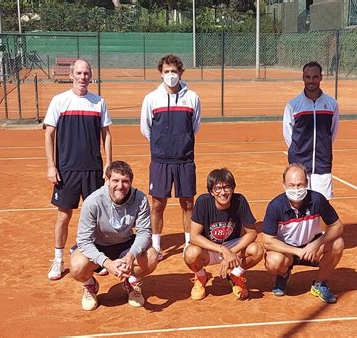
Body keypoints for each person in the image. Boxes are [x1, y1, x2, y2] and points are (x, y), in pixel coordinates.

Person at [44, 59, 112, 280]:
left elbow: (106, 134)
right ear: (72, 75)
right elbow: (49, 134)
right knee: (64, 216)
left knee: (97, 216)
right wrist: (51, 166)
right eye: (79, 73)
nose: (83, 77)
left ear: (90, 75)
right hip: (67, 171)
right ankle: (58, 259)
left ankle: (96, 257)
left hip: (93, 169)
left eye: (86, 73)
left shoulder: (98, 102)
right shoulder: (59, 101)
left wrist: (109, 164)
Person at [70, 161, 158, 311]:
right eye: (115, 181)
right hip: (98, 245)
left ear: (131, 182)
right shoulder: (93, 201)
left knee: (151, 257)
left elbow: (144, 231)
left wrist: (131, 256)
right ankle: (90, 285)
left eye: (125, 181)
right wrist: (107, 263)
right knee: (77, 267)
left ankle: (131, 282)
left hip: (125, 245)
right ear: (107, 181)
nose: (120, 186)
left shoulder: (140, 199)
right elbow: (84, 240)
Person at [140, 54, 201, 260]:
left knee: (188, 204)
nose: (170, 75)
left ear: (181, 73)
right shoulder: (151, 98)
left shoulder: (192, 97)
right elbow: (146, 128)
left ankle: (188, 243)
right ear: (160, 73)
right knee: (157, 205)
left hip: (185, 160)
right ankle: (156, 246)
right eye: (166, 72)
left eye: (174, 71)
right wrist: (161, 145)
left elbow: (195, 127)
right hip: (160, 160)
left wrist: (181, 142)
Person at [262, 163, 344, 304]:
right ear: (284, 185)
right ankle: (283, 274)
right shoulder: (275, 206)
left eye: (300, 185)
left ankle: (319, 283)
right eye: (292, 185)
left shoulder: (317, 200)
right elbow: (267, 240)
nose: (296, 189)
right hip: (288, 251)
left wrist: (316, 244)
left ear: (307, 183)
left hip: (313, 248)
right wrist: (297, 251)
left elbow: (338, 226)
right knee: (273, 261)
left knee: (338, 244)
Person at [184, 168, 263, 300]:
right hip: (209, 247)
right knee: (190, 253)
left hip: (232, 245)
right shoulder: (203, 202)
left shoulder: (240, 201)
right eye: (217, 189)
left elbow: (252, 233)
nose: (223, 192)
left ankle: (235, 274)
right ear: (211, 192)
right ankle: (200, 276)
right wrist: (223, 250)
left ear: (233, 188)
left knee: (257, 250)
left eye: (227, 187)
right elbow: (194, 236)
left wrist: (231, 252)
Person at [283, 61, 339, 200]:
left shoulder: (331, 104)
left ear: (320, 77)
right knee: (298, 202)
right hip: (299, 163)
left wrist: (323, 148)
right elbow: (288, 134)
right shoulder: (293, 105)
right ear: (303, 78)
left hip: (322, 163)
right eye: (308, 77)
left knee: (322, 203)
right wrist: (298, 151)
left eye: (315, 77)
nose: (311, 81)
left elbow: (332, 131)